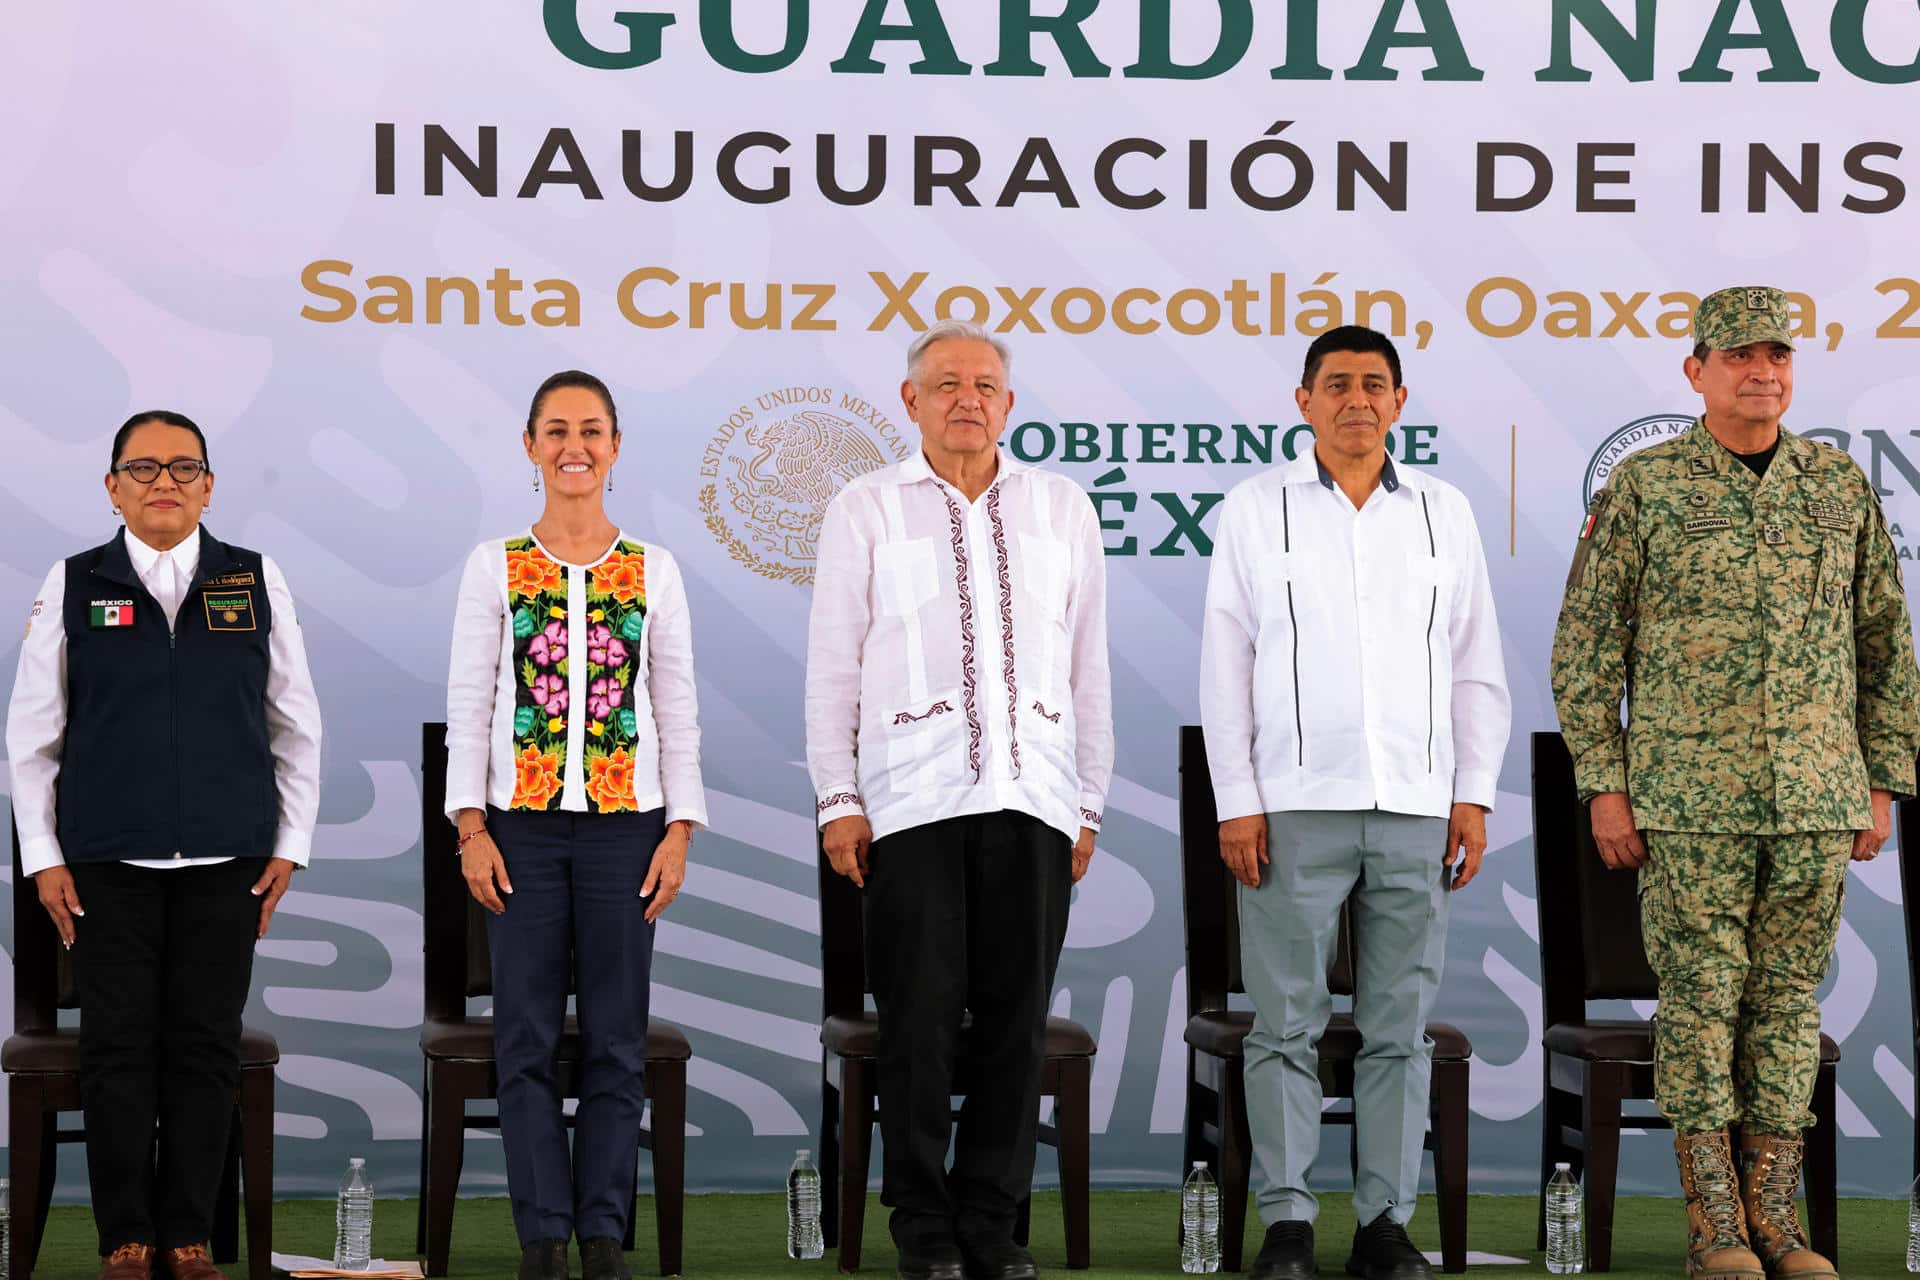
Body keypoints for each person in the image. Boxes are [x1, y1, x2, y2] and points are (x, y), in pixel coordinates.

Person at [1551, 286, 1920, 1280]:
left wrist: (1882, 779)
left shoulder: (1836, 485)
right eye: (1740, 355)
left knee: (1789, 1005)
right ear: (1697, 371)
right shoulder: (1645, 485)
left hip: (1814, 799)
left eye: (1778, 355)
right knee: (1702, 1003)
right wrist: (1604, 782)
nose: (1764, 371)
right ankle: (1714, 1225)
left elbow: (1886, 644)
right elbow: (1586, 648)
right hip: (1686, 800)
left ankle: (1778, 1219)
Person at [1199, 327, 1510, 1280]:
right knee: (1284, 1025)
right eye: (1337, 385)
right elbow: (1226, 667)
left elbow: (1474, 666)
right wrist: (1237, 802)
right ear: (1304, 402)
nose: (1356, 402)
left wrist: (1474, 794)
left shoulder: (1444, 513)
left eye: (1374, 385)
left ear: (1400, 400)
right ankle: (1288, 1223)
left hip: (1418, 806)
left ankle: (1383, 1224)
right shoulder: (1257, 511)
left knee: (1397, 1029)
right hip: (1292, 806)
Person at [805, 320, 1113, 1280]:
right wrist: (838, 798)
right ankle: (923, 1228)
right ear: (911, 402)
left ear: (1008, 404)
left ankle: (992, 1222)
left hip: (1036, 797)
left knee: (1014, 1025)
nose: (966, 398)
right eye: (946, 384)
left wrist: (1088, 802)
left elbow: (1087, 664)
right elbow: (831, 670)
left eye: (984, 383)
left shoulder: (1061, 508)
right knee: (922, 1021)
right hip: (911, 802)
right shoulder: (865, 508)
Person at [5, 410, 322, 1280]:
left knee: (203, 1044)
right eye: (142, 469)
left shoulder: (254, 580)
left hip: (229, 860)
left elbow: (296, 724)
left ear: (210, 487)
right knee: (117, 1049)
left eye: (184, 468)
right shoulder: (74, 582)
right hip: (106, 862)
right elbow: (32, 735)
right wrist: (44, 857)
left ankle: (188, 1236)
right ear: (112, 487)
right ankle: (126, 1239)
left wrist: (288, 845)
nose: (164, 483)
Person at [444, 370, 706, 1280]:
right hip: (517, 832)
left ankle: (602, 1233)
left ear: (616, 447)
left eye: (592, 431)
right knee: (520, 1039)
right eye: (556, 431)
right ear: (529, 447)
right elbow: (470, 702)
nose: (574, 448)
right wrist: (470, 827)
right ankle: (541, 1238)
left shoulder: (652, 569)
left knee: (615, 1040)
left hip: (628, 833)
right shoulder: (496, 566)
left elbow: (677, 710)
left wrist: (680, 831)